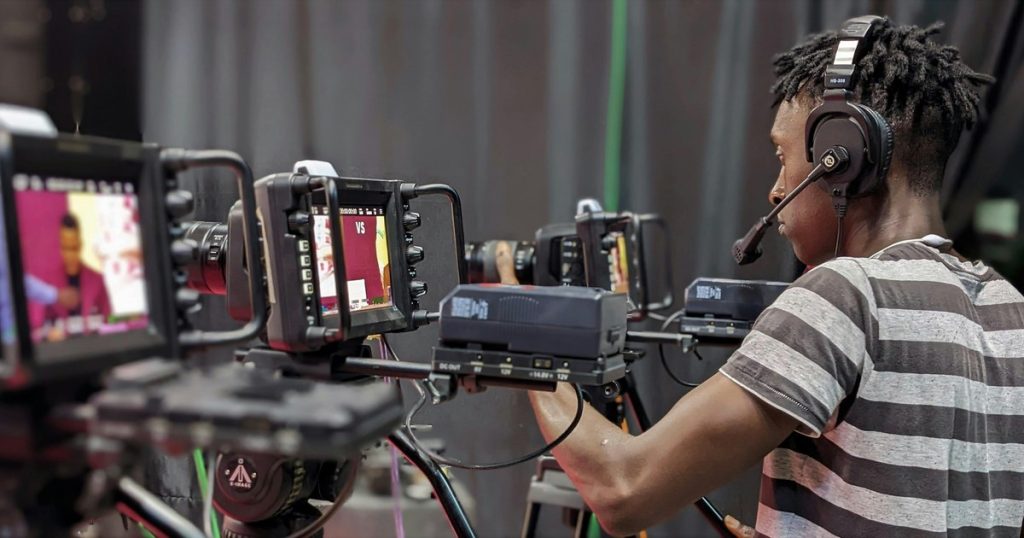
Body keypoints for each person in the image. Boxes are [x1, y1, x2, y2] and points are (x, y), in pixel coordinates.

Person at [526, 17, 1022, 537]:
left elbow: (622, 489)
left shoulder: (845, 296)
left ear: (842, 158)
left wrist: (527, 354)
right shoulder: (1010, 309)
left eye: (783, 157)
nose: (776, 189)